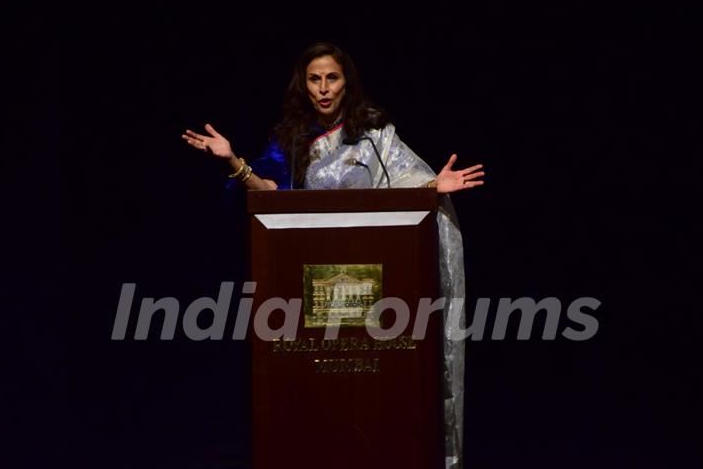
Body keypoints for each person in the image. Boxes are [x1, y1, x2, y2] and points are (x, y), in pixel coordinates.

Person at [182, 42, 484, 469]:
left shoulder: (376, 137)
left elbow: (407, 184)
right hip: (307, 290)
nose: (323, 89)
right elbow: (271, 196)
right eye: (314, 79)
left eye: (332, 78)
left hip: (380, 289)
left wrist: (435, 187)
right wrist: (232, 158)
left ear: (347, 83)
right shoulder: (290, 140)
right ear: (303, 85)